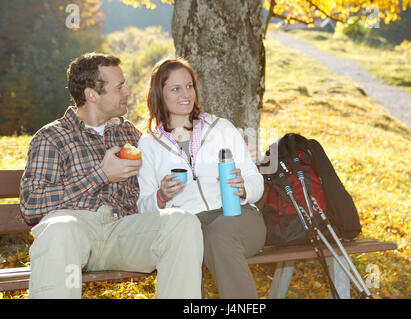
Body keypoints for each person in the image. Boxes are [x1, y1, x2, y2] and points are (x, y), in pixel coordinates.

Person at [19, 53, 203, 299]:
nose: (127, 91)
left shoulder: (129, 133)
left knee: (182, 222)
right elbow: (31, 205)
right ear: (92, 95)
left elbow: (152, 186)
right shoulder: (52, 137)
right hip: (75, 231)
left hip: (123, 231)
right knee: (59, 228)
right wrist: (101, 175)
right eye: (119, 87)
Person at [137, 57, 267, 299]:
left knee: (217, 237)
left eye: (189, 86)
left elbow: (256, 180)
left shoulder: (221, 128)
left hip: (238, 216)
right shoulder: (149, 144)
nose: (186, 94)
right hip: (187, 224)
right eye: (175, 89)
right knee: (188, 243)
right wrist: (161, 196)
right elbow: (143, 206)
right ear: (159, 94)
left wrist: (244, 188)